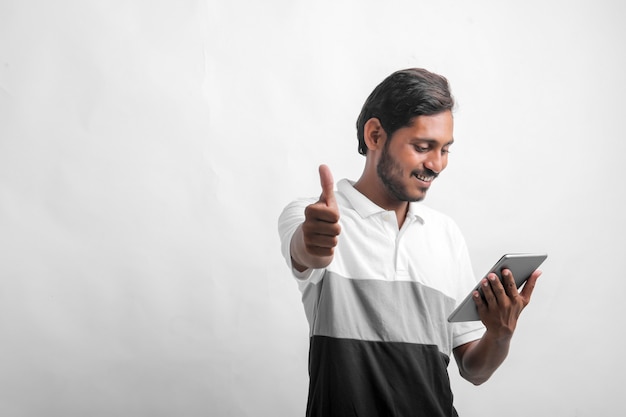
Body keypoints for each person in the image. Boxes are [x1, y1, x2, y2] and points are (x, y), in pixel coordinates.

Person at [278, 68, 541, 417]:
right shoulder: (314, 216)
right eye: (422, 147)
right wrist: (313, 242)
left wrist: (500, 333)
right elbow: (304, 250)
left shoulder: (445, 234)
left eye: (445, 149)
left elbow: (473, 369)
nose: (436, 164)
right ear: (375, 135)